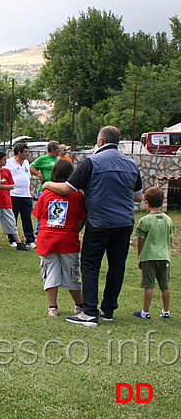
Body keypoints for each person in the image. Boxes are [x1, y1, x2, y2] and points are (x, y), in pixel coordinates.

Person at [43, 126, 143, 326]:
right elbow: (138, 196)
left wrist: (47, 185)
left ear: (100, 141)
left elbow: (66, 188)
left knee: (90, 265)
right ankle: (108, 309)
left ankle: (89, 312)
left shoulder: (91, 162)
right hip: (124, 223)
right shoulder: (131, 164)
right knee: (117, 266)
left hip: (99, 222)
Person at [32, 159, 85, 317]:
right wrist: (74, 230)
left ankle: (52, 307)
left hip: (47, 238)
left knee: (50, 272)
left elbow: (40, 216)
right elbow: (81, 218)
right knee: (71, 273)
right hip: (68, 238)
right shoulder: (77, 195)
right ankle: (79, 305)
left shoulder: (46, 193)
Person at [132, 187, 174, 319]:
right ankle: (166, 311)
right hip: (164, 256)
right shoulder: (168, 220)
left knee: (148, 285)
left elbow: (140, 241)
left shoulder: (145, 221)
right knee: (165, 285)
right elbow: (170, 239)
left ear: (147, 202)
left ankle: (145, 311)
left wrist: (140, 257)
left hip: (149, 257)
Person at [0, 152, 30, 251]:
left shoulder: (7, 171)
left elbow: (12, 185)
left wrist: (1, 187)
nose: (6, 162)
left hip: (5, 200)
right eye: (4, 160)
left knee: (11, 221)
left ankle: (18, 242)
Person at [4, 142, 36, 249]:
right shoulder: (9, 163)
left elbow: (29, 178)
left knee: (27, 218)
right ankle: (12, 239)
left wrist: (30, 191)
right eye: (25, 152)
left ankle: (30, 240)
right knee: (13, 218)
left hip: (26, 195)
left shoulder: (26, 163)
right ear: (19, 153)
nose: (27, 154)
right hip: (14, 194)